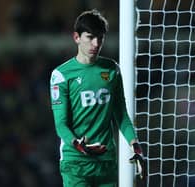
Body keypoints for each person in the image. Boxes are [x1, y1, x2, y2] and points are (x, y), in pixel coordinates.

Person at [49, 9, 144, 187]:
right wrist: (78, 145)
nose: (96, 43)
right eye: (90, 37)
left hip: (105, 162)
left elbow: (121, 115)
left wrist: (135, 145)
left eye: (100, 37)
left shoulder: (112, 70)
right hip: (76, 162)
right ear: (76, 37)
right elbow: (60, 124)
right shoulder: (61, 75)